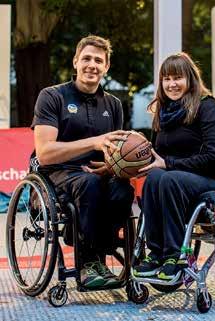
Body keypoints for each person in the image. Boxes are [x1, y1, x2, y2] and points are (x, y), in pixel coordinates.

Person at [31, 35, 134, 289]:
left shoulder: (114, 104)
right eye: (86, 58)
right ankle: (89, 261)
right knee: (90, 184)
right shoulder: (52, 96)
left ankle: (96, 250)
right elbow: (44, 153)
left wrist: (113, 166)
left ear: (106, 67)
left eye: (99, 60)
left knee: (123, 188)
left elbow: (116, 151)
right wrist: (94, 142)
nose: (92, 65)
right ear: (75, 61)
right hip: (58, 172)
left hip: (98, 172)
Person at [133, 52, 215, 280]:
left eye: (177, 77)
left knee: (166, 177)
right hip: (174, 179)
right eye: (166, 79)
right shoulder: (164, 113)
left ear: (190, 79)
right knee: (154, 178)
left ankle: (176, 255)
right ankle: (156, 254)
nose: (171, 84)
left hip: (211, 179)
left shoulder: (210, 109)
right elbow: (158, 155)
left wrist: (168, 163)